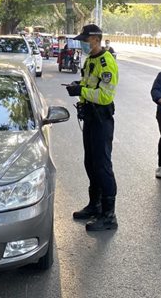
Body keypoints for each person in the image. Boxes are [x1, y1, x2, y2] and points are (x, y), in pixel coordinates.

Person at [65, 24, 119, 232]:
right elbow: (89, 84)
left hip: (101, 118)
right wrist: (77, 85)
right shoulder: (91, 60)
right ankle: (94, 205)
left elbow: (105, 95)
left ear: (95, 40)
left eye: (85, 41)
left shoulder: (106, 63)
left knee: (102, 165)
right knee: (90, 162)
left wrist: (82, 90)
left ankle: (109, 215)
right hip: (90, 116)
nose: (82, 44)